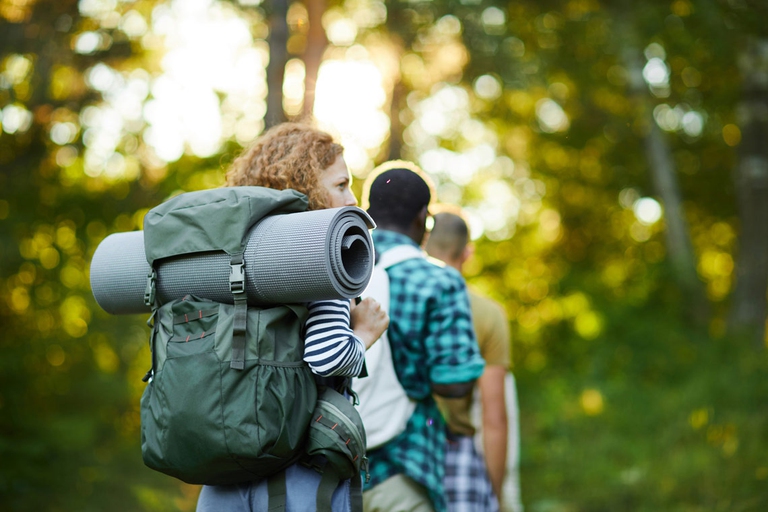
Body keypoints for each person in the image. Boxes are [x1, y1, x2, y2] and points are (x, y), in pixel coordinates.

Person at [196, 122, 389, 512]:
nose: (353, 200)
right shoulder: (318, 261)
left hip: (225, 465)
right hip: (296, 474)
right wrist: (365, 333)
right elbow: (328, 355)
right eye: (341, 185)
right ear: (307, 189)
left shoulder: (235, 254)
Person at [359, 161, 486, 512]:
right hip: (402, 467)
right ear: (422, 219)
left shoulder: (330, 267)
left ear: (368, 210)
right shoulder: (439, 281)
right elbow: (454, 383)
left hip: (324, 471)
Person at [425, 210, 523, 512]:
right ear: (467, 253)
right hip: (460, 460)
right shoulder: (488, 314)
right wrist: (493, 494)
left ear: (423, 242)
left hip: (399, 454)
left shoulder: (399, 299)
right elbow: (494, 419)